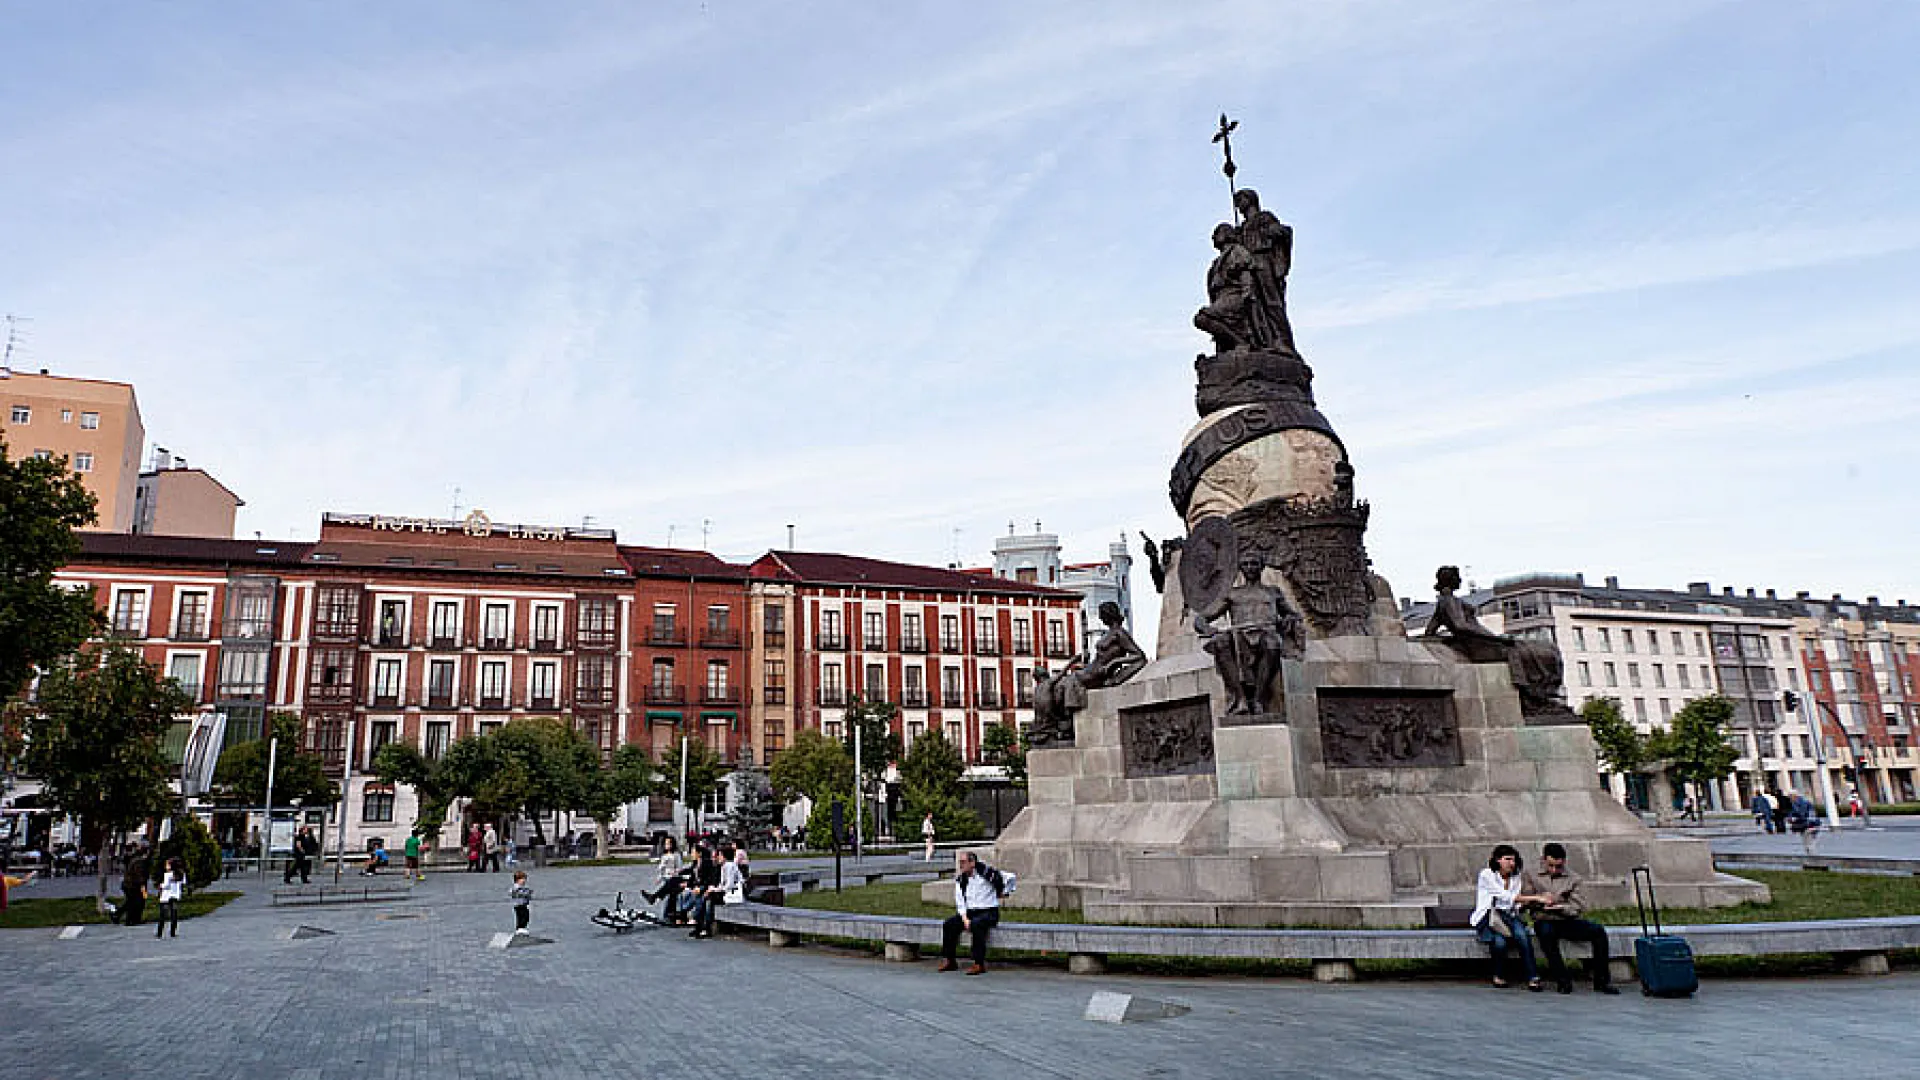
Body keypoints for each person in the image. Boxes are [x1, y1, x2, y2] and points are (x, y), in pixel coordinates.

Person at [1523, 843, 1620, 995]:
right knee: (1547, 935)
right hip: (1543, 919)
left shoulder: (1574, 878)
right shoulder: (1530, 874)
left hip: (1565, 918)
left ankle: (1602, 981)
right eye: (1551, 866)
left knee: (1598, 931)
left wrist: (1561, 907)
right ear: (1543, 860)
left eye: (1558, 866)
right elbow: (1525, 900)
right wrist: (1540, 901)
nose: (1554, 870)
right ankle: (1562, 980)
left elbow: (1578, 906)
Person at [1472, 844, 1548, 990]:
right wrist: (1536, 898)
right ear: (1497, 860)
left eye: (1513, 860)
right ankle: (1498, 975)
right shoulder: (1487, 874)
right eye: (1507, 859)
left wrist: (1533, 904)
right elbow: (1504, 896)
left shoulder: (1516, 877)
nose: (1511, 864)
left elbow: (1515, 904)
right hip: (1490, 917)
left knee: (1522, 937)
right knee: (1500, 943)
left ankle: (1533, 977)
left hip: (1509, 916)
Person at [938, 850, 1014, 976]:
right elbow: (960, 901)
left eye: (963, 862)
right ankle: (950, 960)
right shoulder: (961, 880)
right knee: (949, 924)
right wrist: (965, 918)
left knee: (977, 925)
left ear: (972, 863)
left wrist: (1005, 892)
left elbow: (1010, 877)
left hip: (989, 912)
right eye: (959, 862)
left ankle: (979, 963)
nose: (961, 865)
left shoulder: (986, 873)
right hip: (970, 912)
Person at [687, 845, 723, 939]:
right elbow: (709, 881)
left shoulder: (721, 867)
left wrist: (707, 889)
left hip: (720, 893)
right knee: (700, 897)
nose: (713, 859)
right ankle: (698, 926)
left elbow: (720, 884)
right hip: (711, 891)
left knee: (705, 901)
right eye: (712, 857)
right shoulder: (713, 867)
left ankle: (704, 927)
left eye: (716, 857)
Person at [643, 836, 684, 917]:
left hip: (675, 877)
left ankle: (653, 897)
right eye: (666, 844)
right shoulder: (664, 856)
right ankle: (668, 910)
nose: (667, 845)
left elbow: (680, 868)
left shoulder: (676, 855)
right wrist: (660, 877)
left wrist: (674, 872)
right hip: (667, 878)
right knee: (671, 889)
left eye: (669, 843)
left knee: (671, 884)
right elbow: (661, 869)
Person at [121, 842, 151, 927]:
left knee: (133, 902)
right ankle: (132, 920)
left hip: (131, 885)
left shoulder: (136, 859)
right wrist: (143, 888)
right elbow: (140, 876)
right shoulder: (140, 861)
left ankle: (132, 919)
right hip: (134, 886)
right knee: (137, 902)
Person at [155, 856, 185, 939]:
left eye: (167, 865)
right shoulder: (181, 874)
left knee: (163, 915)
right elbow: (183, 883)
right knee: (174, 914)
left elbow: (166, 885)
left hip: (166, 896)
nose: (166, 866)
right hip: (175, 895)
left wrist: (160, 886)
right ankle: (173, 932)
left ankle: (160, 932)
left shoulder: (167, 875)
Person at [509, 870, 533, 934]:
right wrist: (526, 893)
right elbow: (515, 893)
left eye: (525, 879)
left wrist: (528, 893)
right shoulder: (516, 887)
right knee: (522, 917)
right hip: (519, 905)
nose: (524, 881)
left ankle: (521, 928)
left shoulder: (523, 887)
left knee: (526, 916)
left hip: (524, 905)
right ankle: (520, 928)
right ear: (517, 880)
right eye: (522, 879)